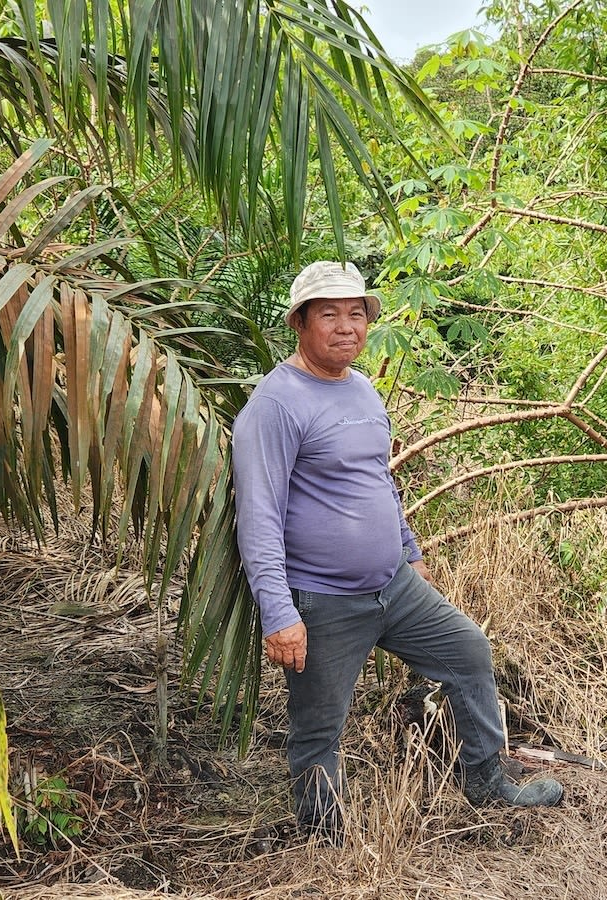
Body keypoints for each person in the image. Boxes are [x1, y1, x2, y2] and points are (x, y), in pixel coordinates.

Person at [232, 260, 562, 838]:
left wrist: (408, 549)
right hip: (324, 599)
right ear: (300, 323)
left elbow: (378, 478)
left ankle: (487, 781)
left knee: (467, 651)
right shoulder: (276, 405)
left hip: (395, 587)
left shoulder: (361, 388)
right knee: (319, 727)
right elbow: (258, 517)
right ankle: (323, 832)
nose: (345, 327)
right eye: (329, 314)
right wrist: (279, 613)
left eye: (356, 314)